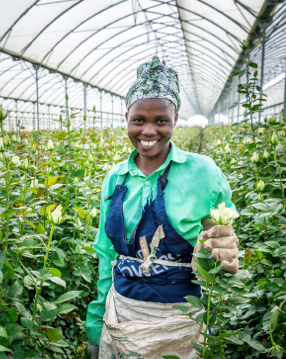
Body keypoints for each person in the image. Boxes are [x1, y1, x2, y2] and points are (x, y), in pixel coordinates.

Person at [85, 57, 239, 359]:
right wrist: (95, 325)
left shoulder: (203, 173)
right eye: (139, 120)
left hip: (180, 322)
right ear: (126, 117)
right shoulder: (115, 178)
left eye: (161, 120)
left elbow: (225, 242)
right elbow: (106, 257)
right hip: (122, 315)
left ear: (176, 118)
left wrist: (226, 253)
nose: (149, 130)